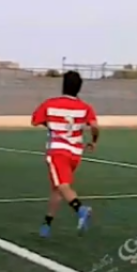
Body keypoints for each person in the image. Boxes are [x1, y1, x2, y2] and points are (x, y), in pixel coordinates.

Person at [31, 71, 99, 237]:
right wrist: (94, 141)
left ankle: (80, 209)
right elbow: (95, 126)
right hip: (75, 153)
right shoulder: (85, 107)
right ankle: (47, 224)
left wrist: (52, 125)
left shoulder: (50, 104)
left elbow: (35, 121)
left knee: (62, 186)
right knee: (57, 188)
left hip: (58, 151)